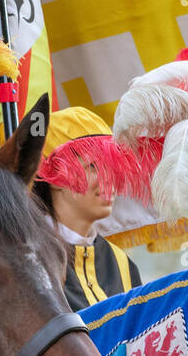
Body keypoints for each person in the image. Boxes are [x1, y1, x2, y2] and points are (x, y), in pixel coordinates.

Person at [32, 106, 141, 310]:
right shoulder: (29, 259)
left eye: (112, 167)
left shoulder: (123, 264)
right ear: (55, 177)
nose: (109, 179)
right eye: (93, 167)